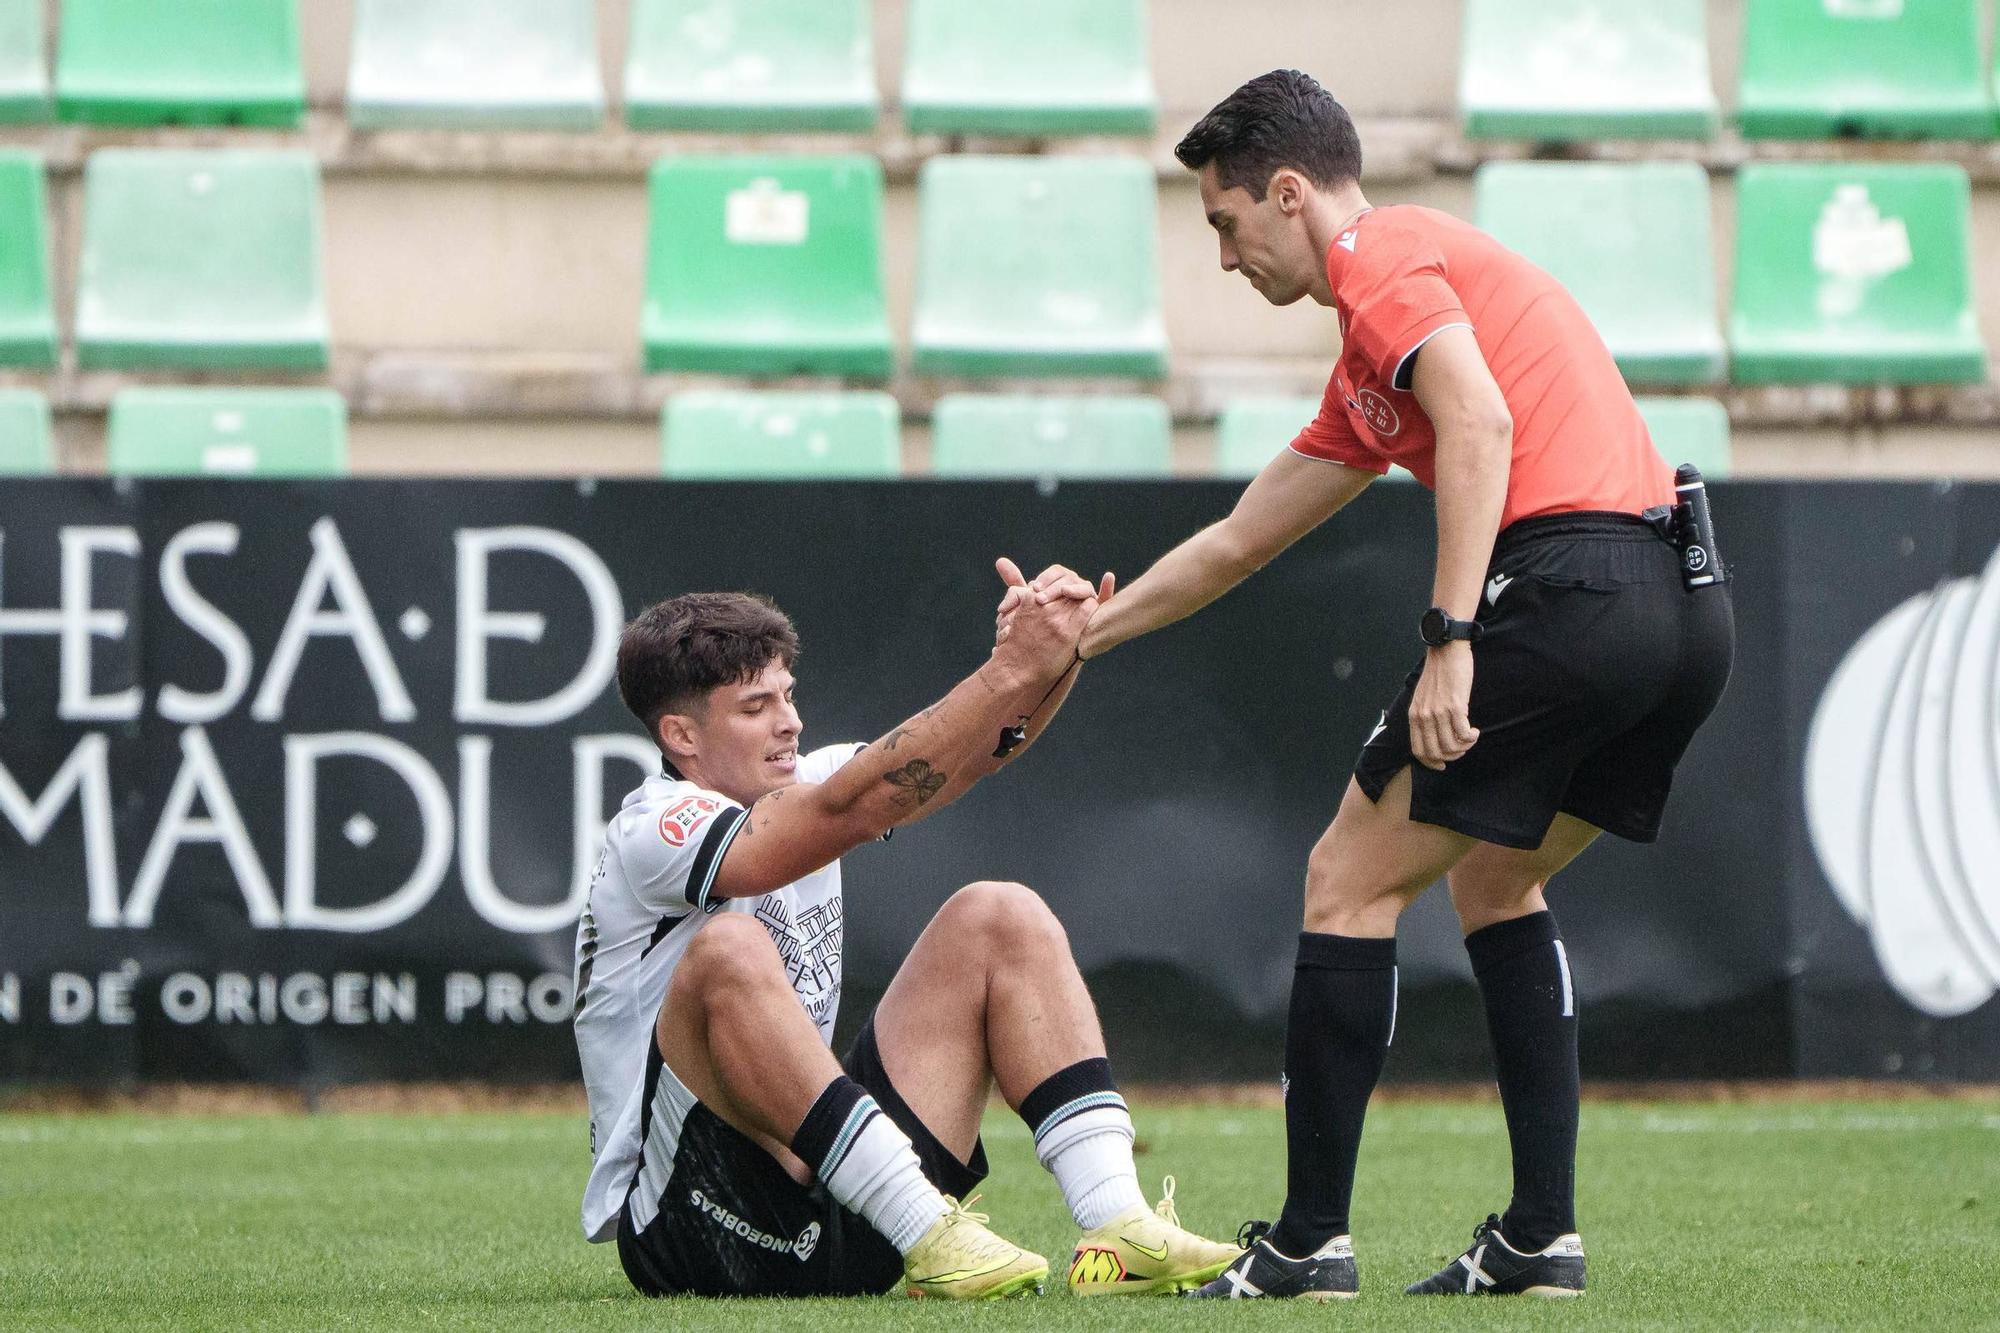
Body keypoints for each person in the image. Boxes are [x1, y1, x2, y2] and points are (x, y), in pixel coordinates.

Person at [1028, 70, 1735, 1299]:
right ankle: (1537, 1237)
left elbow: (1476, 426)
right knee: (1492, 875)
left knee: (1343, 879)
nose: (1223, 256)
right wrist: (1088, 632)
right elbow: (1242, 537)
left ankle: (1304, 1244)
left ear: (1288, 193)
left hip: (1566, 588)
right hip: (1676, 608)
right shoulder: (1371, 355)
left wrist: (1451, 635)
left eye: (1223, 222)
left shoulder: (1383, 252)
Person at [571, 567, 1239, 1301]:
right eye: (756, 706)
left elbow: (972, 754)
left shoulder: (805, 781)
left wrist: (1057, 655)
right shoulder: (654, 825)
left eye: (788, 695)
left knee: (999, 914)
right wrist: (1005, 670)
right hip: (693, 1230)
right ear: (681, 736)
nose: (790, 721)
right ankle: (930, 1225)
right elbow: (841, 812)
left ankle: (1117, 1226)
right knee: (726, 952)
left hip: (849, 1202)